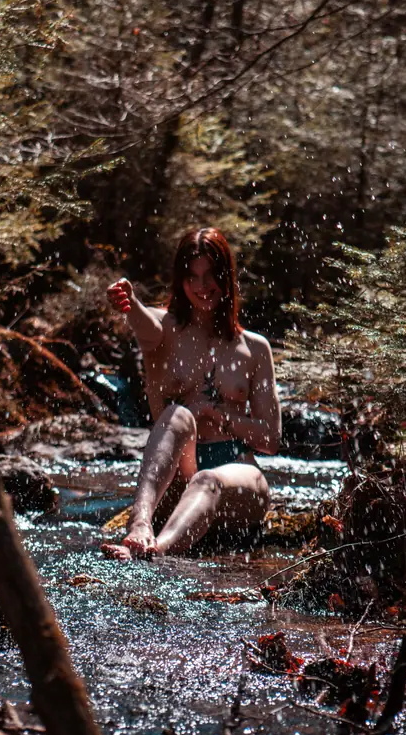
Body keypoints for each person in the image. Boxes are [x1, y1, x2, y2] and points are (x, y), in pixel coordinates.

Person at [101, 227, 281, 560]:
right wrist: (130, 304)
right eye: (192, 277)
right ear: (180, 281)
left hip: (239, 477)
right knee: (176, 415)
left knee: (207, 479)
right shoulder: (163, 330)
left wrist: (217, 414)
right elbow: (144, 325)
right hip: (179, 475)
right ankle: (140, 525)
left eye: (211, 275)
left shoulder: (255, 348)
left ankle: (156, 552)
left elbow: (270, 439)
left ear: (226, 277)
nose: (202, 287)